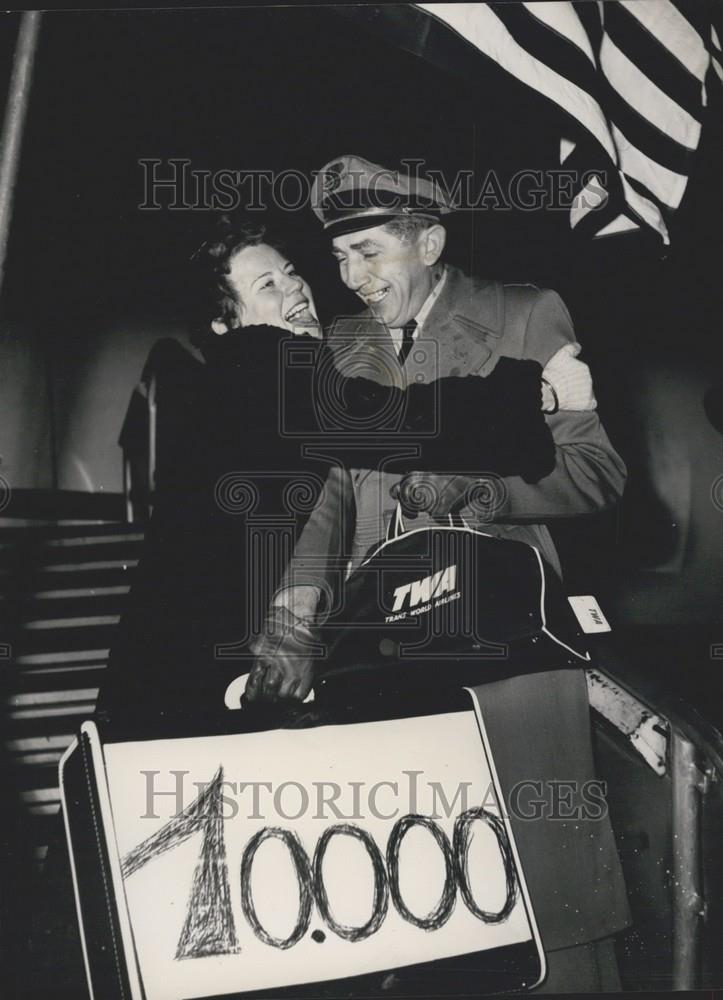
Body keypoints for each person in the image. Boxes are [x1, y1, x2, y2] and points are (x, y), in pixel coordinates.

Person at [248, 156, 630, 992]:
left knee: (547, 892)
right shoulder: (340, 345)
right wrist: (293, 616)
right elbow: (326, 495)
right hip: (377, 646)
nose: (353, 276)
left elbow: (599, 473)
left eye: (372, 252)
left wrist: (486, 489)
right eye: (341, 257)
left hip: (507, 643)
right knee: (415, 889)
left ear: (429, 240)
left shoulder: (524, 315)